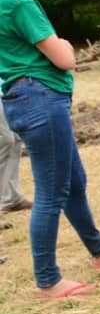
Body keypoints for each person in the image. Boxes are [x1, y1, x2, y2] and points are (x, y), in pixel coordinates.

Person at [0, 0, 100, 299]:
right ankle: (48, 280)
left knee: (73, 180)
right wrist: (65, 47)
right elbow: (65, 58)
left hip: (23, 98)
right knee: (51, 193)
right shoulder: (20, 3)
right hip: (40, 100)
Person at [0, 75, 30, 217]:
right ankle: (5, 198)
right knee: (6, 140)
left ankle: (12, 198)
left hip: (5, 89)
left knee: (16, 140)